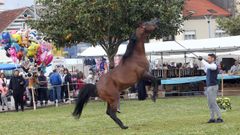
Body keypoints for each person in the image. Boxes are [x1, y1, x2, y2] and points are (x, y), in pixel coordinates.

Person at [198, 54, 223, 123]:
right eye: (207, 58)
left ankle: (219, 118)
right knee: (210, 103)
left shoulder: (214, 65)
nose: (208, 59)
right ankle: (212, 118)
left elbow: (209, 66)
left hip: (213, 86)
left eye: (209, 58)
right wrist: (203, 61)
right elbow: (206, 68)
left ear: (213, 59)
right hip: (209, 86)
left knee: (213, 103)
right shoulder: (209, 66)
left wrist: (202, 60)